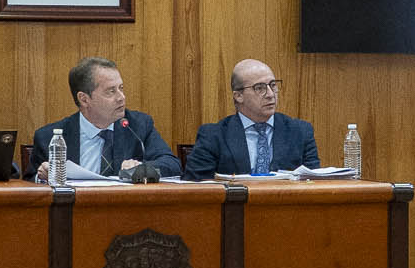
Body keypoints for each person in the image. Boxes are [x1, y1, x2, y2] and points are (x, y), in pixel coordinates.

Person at [35, 57, 176, 181]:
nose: (121, 97)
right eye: (111, 91)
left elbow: (172, 165)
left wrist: (142, 168)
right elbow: (30, 181)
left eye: (121, 88)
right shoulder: (48, 137)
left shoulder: (138, 126)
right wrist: (42, 176)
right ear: (84, 99)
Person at [185, 60, 321, 178]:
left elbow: (314, 183)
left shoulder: (300, 132)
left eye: (273, 85)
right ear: (238, 96)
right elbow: (196, 186)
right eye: (259, 88)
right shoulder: (213, 136)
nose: (270, 94)